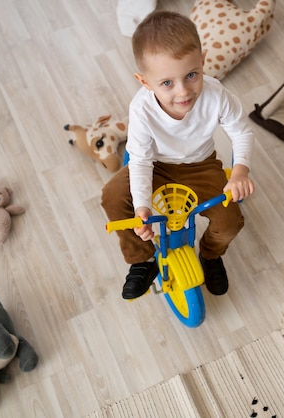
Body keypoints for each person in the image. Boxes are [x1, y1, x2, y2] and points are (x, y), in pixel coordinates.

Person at [101, 10, 255, 299]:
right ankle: (142, 260)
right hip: (156, 164)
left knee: (231, 221)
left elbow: (241, 131)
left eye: (192, 75)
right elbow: (142, 161)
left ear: (202, 62)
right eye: (167, 83)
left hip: (201, 165)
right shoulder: (142, 110)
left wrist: (240, 171)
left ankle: (210, 255)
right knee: (112, 196)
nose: (183, 91)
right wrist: (142, 208)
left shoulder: (216, 95)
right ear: (145, 82)